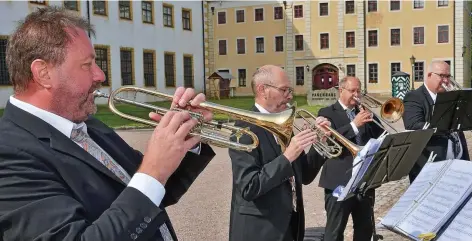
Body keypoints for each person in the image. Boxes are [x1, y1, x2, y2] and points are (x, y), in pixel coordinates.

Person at [0, 7, 216, 241]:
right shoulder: (8, 154)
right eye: (87, 64)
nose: (100, 75)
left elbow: (154, 192)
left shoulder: (86, 124)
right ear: (43, 73)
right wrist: (153, 171)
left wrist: (184, 135)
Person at [228, 65, 330, 241]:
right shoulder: (243, 129)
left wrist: (319, 142)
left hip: (290, 226)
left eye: (289, 90)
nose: (289, 96)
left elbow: (304, 175)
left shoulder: (283, 123)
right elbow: (249, 187)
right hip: (260, 231)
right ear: (263, 90)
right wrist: (287, 157)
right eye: (284, 90)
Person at [310, 76, 384, 241]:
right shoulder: (327, 113)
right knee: (335, 231)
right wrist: (354, 125)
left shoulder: (362, 112)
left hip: (364, 180)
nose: (356, 95)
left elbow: (381, 136)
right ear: (341, 90)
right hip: (338, 180)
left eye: (359, 91)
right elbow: (331, 141)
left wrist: (373, 118)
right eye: (352, 91)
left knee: (364, 229)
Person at [403, 60, 470, 183]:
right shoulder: (414, 97)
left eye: (448, 76)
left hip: (458, 163)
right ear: (429, 75)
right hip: (430, 166)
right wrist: (442, 124)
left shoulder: (451, 97)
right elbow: (413, 124)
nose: (445, 80)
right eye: (442, 76)